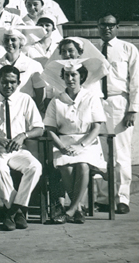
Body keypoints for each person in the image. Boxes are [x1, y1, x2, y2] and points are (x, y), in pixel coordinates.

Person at [0, 65, 45, 231]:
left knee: (35, 167)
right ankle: (17, 212)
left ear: (18, 83)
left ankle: (11, 211)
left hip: (17, 149)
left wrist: (23, 136)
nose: (8, 86)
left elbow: (39, 128)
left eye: (13, 82)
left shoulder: (25, 99)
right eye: (4, 82)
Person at [44, 62, 107, 224]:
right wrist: (62, 147)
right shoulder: (56, 100)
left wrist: (81, 145)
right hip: (63, 143)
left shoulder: (91, 98)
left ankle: (70, 209)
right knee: (66, 166)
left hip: (87, 143)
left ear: (82, 77)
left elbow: (96, 127)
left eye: (74, 75)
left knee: (83, 165)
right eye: (67, 75)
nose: (70, 79)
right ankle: (78, 209)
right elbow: (50, 129)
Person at [93, 14, 139, 214]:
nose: (107, 29)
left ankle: (122, 198)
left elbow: (136, 81)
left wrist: (132, 109)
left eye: (111, 25)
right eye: (103, 25)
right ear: (98, 27)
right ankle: (105, 198)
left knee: (120, 153)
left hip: (118, 102)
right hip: (97, 103)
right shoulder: (93, 50)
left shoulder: (128, 49)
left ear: (117, 27)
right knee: (102, 153)